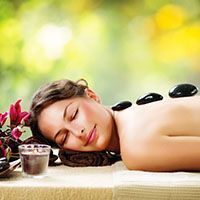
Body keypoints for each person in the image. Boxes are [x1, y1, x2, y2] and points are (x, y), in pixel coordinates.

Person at [30, 78, 200, 172]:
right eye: (64, 137)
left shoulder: (135, 146)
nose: (78, 132)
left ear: (91, 95)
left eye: (74, 115)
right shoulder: (134, 115)